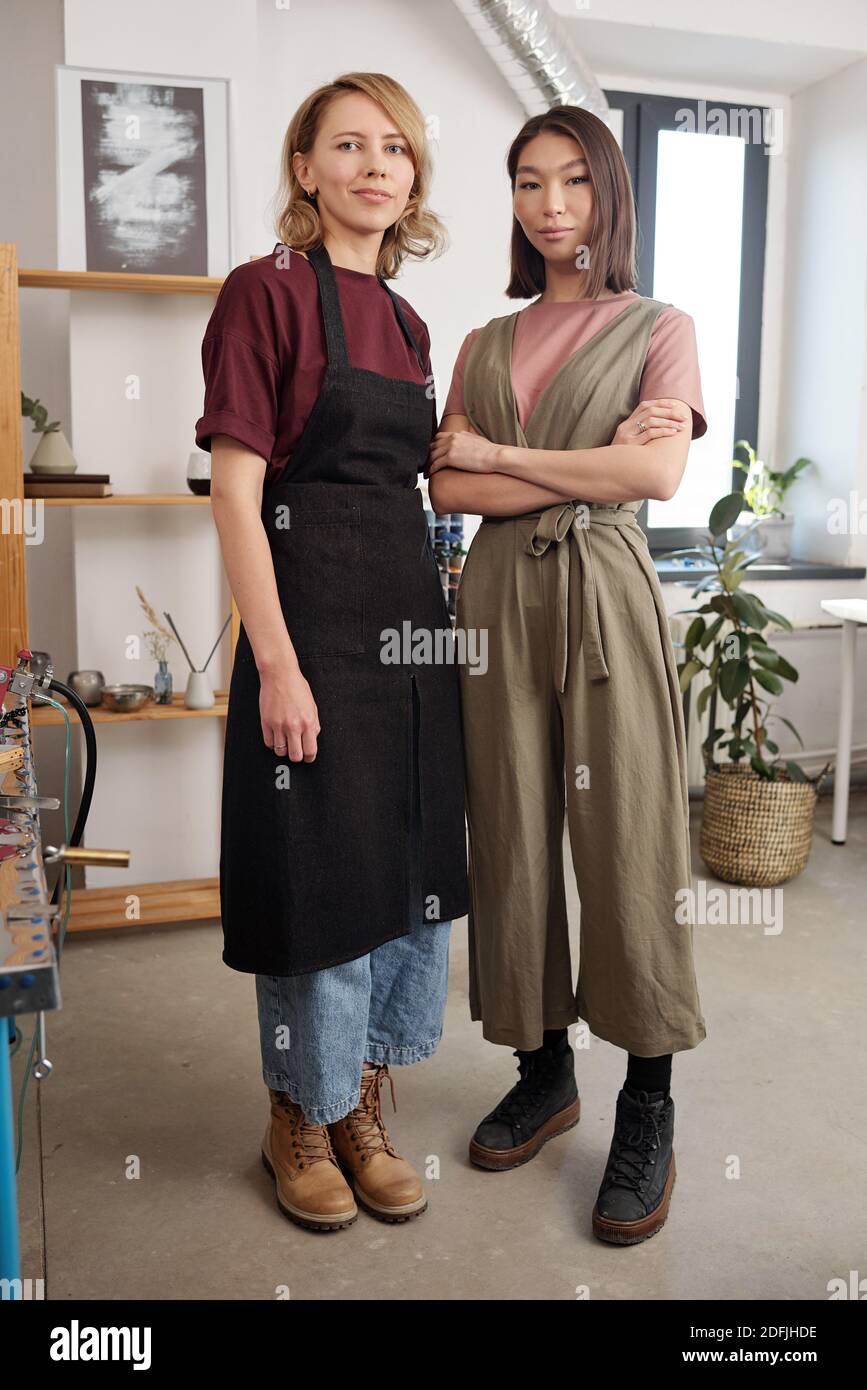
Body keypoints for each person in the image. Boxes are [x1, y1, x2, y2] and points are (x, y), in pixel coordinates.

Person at [428, 105, 707, 1246]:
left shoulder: (661, 325)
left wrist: (504, 457)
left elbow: (657, 470)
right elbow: (448, 490)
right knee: (510, 826)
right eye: (528, 183)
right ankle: (544, 1069)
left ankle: (649, 1100)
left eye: (573, 183)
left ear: (609, 197)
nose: (550, 205)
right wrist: (562, 471)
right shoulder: (482, 346)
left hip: (606, 596)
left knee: (629, 834)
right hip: (495, 601)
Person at [195, 72, 468, 1232]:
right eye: (346, 145)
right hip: (307, 620)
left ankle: (362, 1097)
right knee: (317, 871)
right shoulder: (261, 294)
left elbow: (438, 478)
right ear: (306, 169)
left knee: (402, 866)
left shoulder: (409, 324)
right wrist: (279, 661)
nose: (375, 165)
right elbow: (235, 495)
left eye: (395, 148)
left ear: (412, 181)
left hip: (409, 630)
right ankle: (297, 1115)